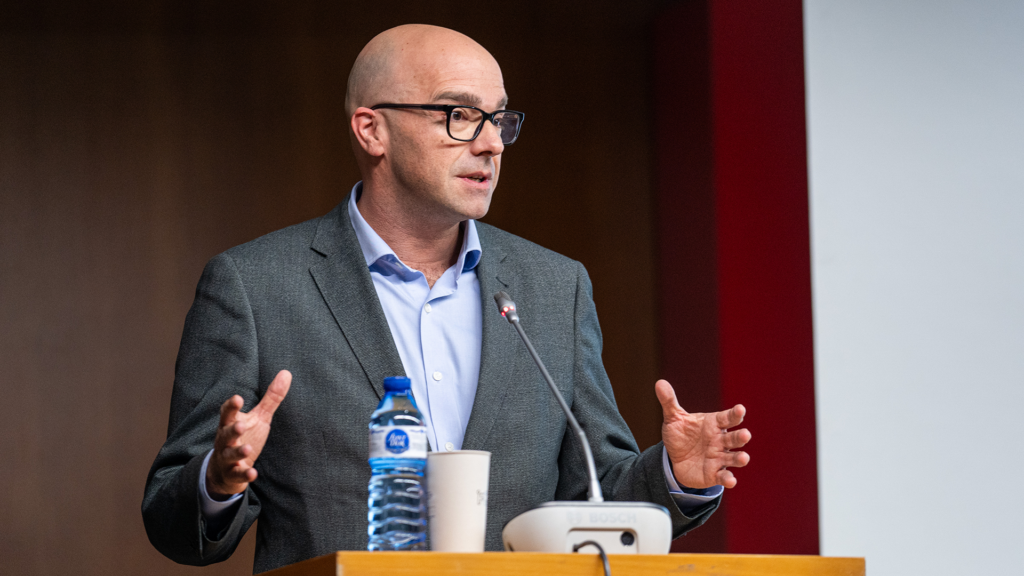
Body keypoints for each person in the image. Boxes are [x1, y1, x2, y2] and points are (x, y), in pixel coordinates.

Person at [142, 24, 751, 573]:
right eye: (460, 115)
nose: (491, 145)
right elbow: (175, 525)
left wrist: (675, 476)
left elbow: (598, 493)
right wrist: (217, 482)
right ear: (372, 129)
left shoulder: (553, 287)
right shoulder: (255, 286)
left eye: (500, 118)